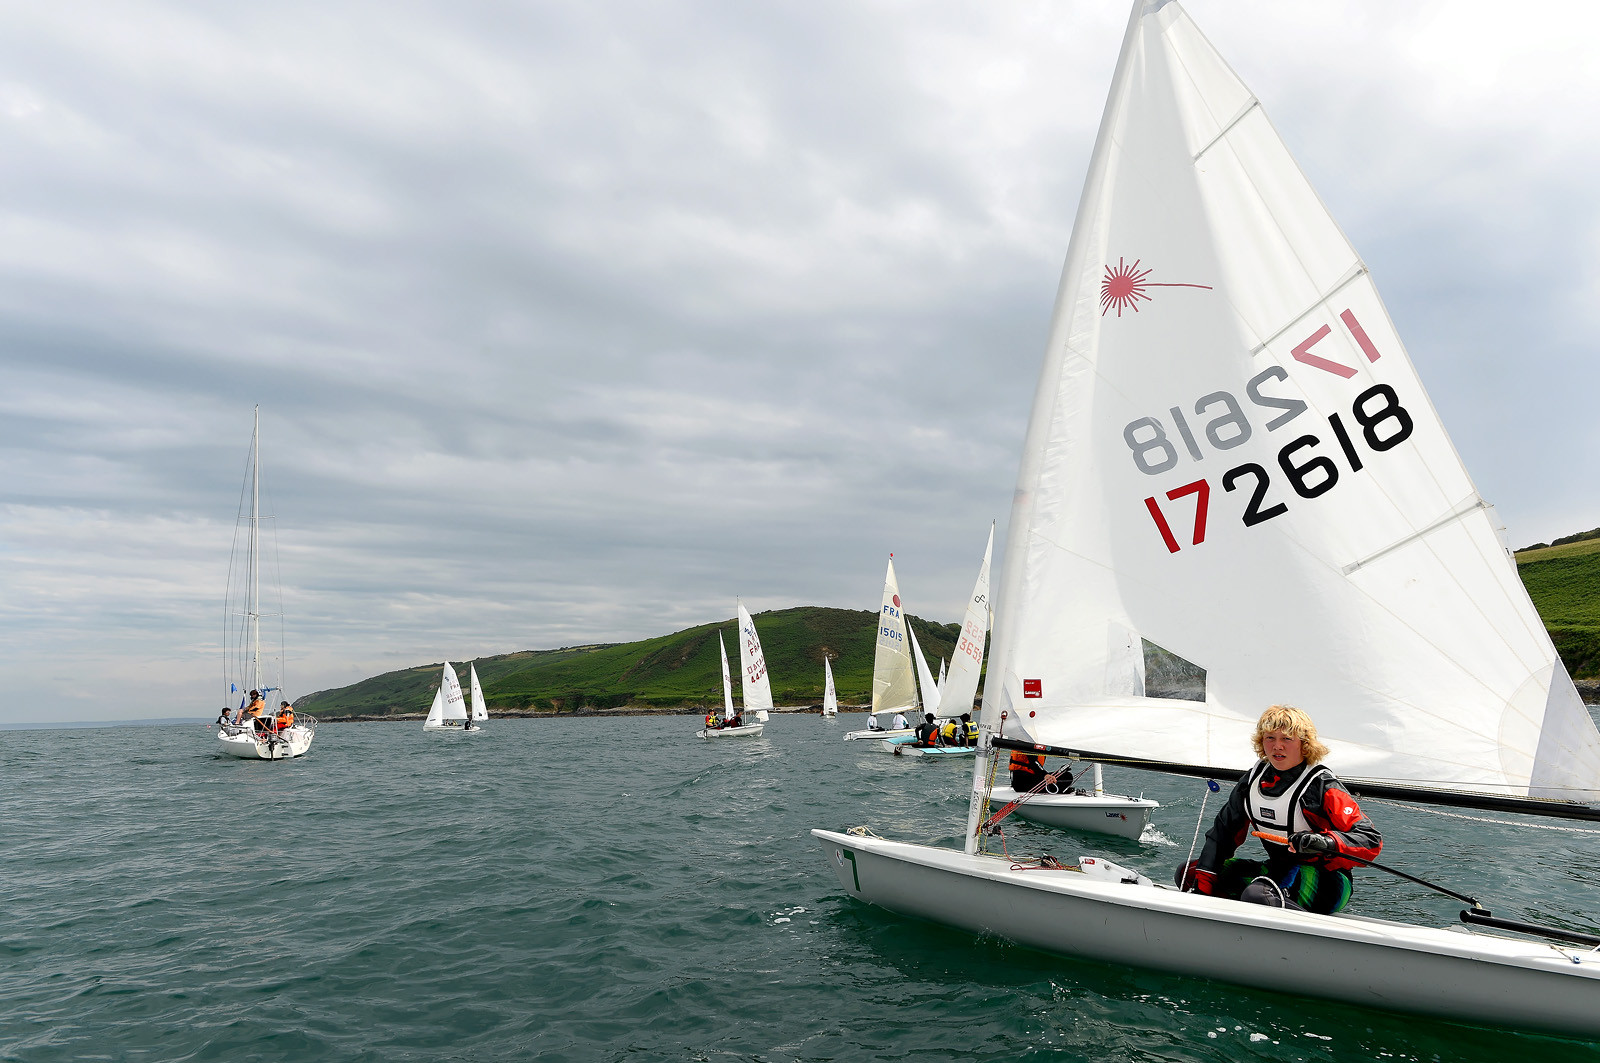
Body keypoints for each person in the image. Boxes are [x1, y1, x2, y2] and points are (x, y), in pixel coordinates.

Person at [1178, 704, 1380, 913]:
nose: (1277, 746)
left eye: (1287, 739)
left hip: (1328, 880)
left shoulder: (1322, 786)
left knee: (1258, 895)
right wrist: (1205, 878)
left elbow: (1370, 839)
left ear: (1304, 744)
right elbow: (1223, 833)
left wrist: (1324, 841)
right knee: (1190, 874)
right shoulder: (1252, 781)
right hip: (1277, 869)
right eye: (1270, 738)